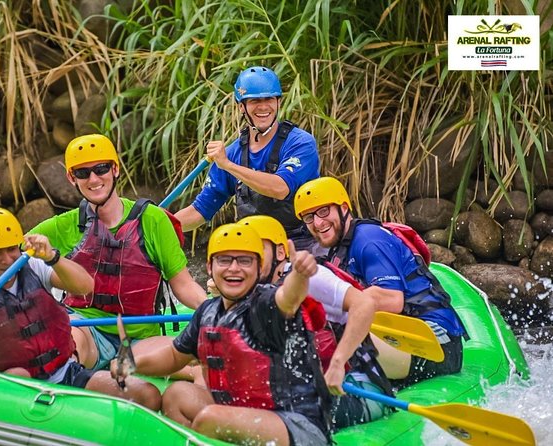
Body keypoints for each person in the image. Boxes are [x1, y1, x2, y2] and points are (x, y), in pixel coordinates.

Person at [113, 223, 333, 445]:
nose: (234, 268)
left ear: (259, 267)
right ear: (210, 266)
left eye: (245, 260)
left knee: (211, 418)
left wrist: (300, 275)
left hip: (296, 425)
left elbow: (290, 298)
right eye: (224, 260)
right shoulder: (207, 312)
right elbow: (173, 356)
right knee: (177, 395)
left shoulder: (266, 304)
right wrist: (130, 363)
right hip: (240, 413)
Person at [0, 207, 161, 410]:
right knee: (19, 375)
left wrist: (53, 257)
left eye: (11, 249)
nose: (7, 259)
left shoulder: (33, 266)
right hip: (8, 384)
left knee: (146, 394)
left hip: (65, 372)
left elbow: (86, 286)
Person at [28, 134, 206, 371]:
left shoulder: (153, 220)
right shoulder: (61, 227)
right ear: (72, 178)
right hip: (85, 327)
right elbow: (5, 260)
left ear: (115, 169)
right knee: (67, 342)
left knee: (187, 358)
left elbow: (183, 285)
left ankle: (183, 374)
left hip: (142, 335)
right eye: (82, 173)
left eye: (101, 169)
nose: (93, 179)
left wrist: (211, 310)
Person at [293, 177, 467, 386]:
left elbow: (393, 300)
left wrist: (328, 309)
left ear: (344, 208)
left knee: (337, 334)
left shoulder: (369, 240)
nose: (318, 223)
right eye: (309, 217)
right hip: (397, 337)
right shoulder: (339, 250)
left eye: (323, 211)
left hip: (437, 341)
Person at [236, 215, 392, 429]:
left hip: (357, 387)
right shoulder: (254, 292)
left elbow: (364, 303)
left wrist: (338, 363)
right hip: (308, 387)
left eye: (257, 251)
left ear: (280, 252)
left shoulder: (309, 277)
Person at [174, 66, 322, 253]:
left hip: (299, 242)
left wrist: (228, 165)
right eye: (254, 101)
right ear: (241, 106)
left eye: (268, 99)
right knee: (214, 282)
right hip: (253, 246)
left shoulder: (301, 143)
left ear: (278, 102)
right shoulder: (232, 152)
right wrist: (163, 224)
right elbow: (201, 210)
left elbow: (279, 188)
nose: (263, 107)